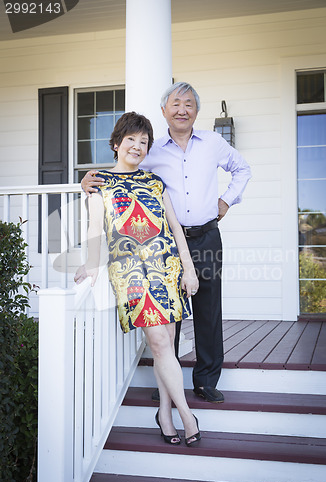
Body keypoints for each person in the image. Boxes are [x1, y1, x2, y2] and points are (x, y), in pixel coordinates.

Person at [81, 82, 251, 403]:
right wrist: (90, 181)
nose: (182, 110)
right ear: (164, 111)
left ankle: (205, 380)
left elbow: (242, 168)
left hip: (206, 235)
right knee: (168, 311)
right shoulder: (152, 149)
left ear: (196, 111)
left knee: (208, 307)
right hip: (166, 244)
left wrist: (227, 200)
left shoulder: (213, 142)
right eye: (175, 104)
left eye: (188, 104)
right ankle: (171, 386)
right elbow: (124, 175)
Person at [74, 111, 201, 446]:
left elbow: (175, 228)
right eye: (131, 139)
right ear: (116, 144)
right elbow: (94, 230)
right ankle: (187, 415)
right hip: (130, 273)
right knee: (160, 343)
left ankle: (164, 412)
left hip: (166, 267)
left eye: (143, 141)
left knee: (165, 347)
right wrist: (90, 264)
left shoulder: (155, 182)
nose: (137, 146)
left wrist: (188, 269)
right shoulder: (99, 183)